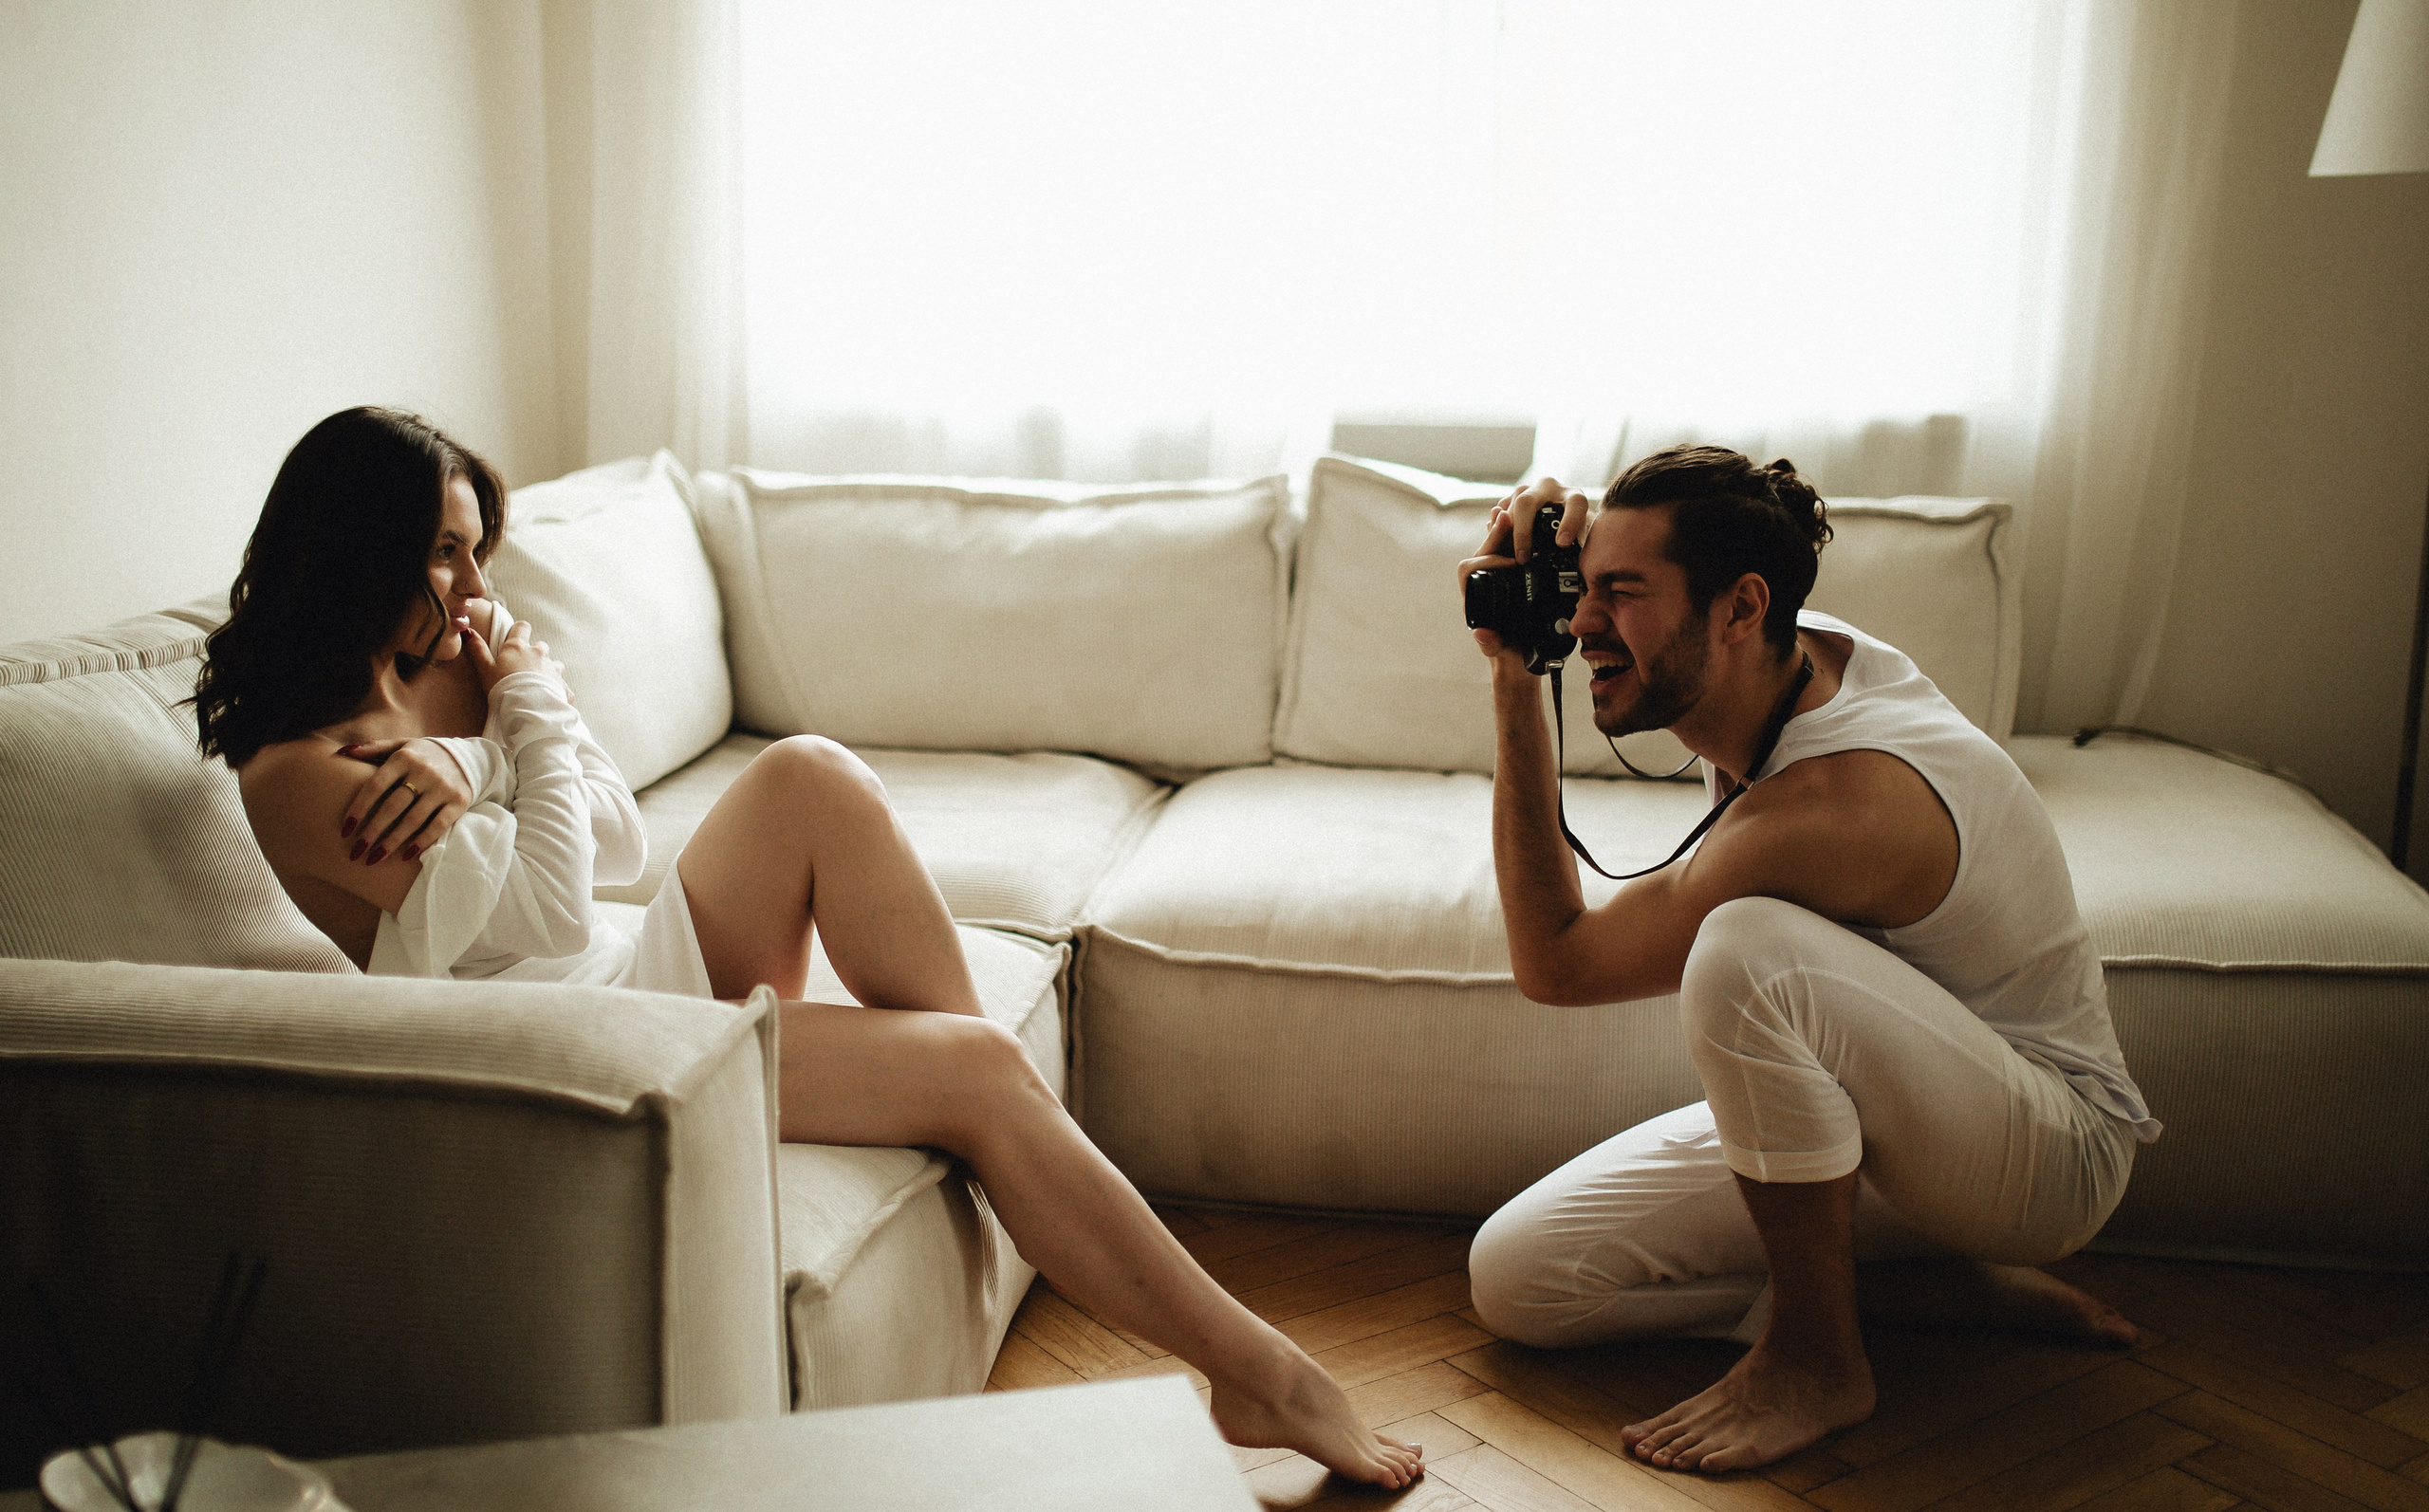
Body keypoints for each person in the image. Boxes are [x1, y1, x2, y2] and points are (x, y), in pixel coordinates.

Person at [193, 407, 1423, 1490]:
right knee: (964, 1049)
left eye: (476, 547)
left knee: (817, 779)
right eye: (448, 547)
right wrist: (519, 717)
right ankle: (1255, 1366)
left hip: (609, 972)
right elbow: (559, 906)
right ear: (362, 546)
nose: (475, 585)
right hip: (567, 1040)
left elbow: (611, 834)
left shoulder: (431, 687)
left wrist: (507, 726)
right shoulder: (303, 773)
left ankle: (1063, 1193)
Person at [1456, 445, 2159, 1473]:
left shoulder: (1837, 801)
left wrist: (1516, 689)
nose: (1578, 623)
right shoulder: (1788, 653)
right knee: (1521, 1280)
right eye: (1581, 588)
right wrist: (1558, 573)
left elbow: (1556, 965)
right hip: (1889, 1114)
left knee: (1746, 947)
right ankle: (1908, 1289)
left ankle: (1817, 1356)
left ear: (1739, 608)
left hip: (2044, 1153)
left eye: (1621, 592)